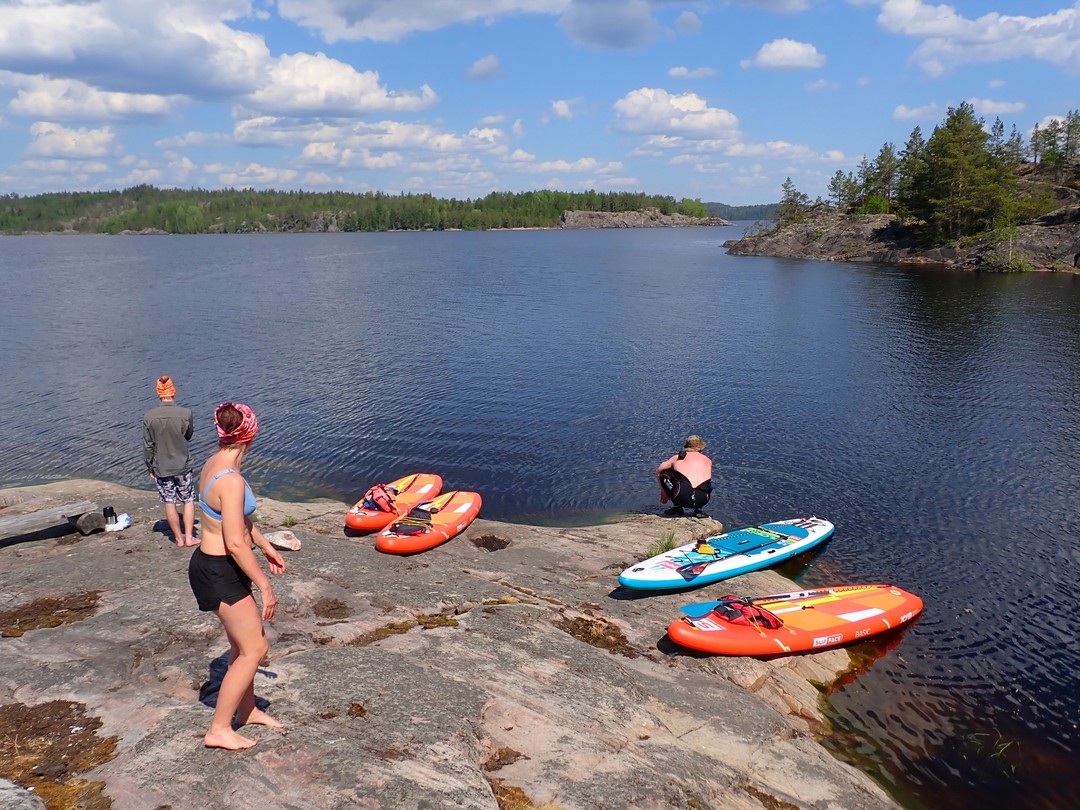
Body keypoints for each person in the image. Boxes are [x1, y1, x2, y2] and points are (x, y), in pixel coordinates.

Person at [188, 402, 286, 750]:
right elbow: (233, 542)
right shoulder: (230, 480)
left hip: (217, 566)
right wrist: (265, 586)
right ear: (251, 434)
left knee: (242, 646)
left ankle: (246, 710)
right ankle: (218, 730)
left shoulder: (214, 464)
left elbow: (236, 520)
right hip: (219, 570)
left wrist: (266, 544)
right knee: (255, 648)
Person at [143, 375, 196, 546]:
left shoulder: (149, 416)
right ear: (174, 391)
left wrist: (150, 466)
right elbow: (189, 435)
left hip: (162, 466)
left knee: (169, 501)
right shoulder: (185, 413)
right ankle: (189, 537)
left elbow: (148, 445)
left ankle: (178, 538)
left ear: (158, 393)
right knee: (188, 500)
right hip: (183, 464)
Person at [657, 435, 713, 516]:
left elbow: (659, 471)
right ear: (701, 448)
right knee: (703, 477)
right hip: (703, 499)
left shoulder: (678, 457)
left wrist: (663, 492)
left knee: (665, 472)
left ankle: (677, 507)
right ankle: (698, 510)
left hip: (682, 497)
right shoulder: (707, 460)